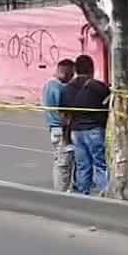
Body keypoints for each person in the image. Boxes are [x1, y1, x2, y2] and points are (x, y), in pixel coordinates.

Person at [61, 54, 110, 195]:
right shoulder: (99, 87)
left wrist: (66, 135)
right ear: (92, 69)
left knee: (82, 165)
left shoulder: (67, 88)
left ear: (75, 69)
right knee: (100, 164)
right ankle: (105, 192)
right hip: (95, 129)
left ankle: (83, 193)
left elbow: (64, 113)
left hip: (76, 131)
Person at [43, 58, 75, 193]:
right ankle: (61, 192)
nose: (72, 77)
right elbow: (63, 112)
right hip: (61, 129)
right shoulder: (59, 88)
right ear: (65, 72)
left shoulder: (48, 85)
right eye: (71, 74)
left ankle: (61, 190)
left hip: (53, 128)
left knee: (59, 161)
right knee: (64, 162)